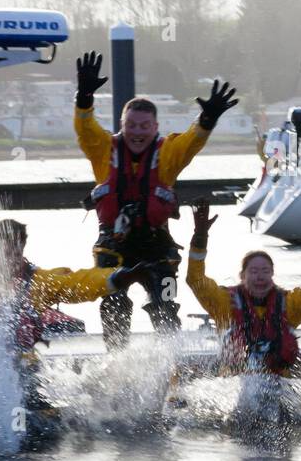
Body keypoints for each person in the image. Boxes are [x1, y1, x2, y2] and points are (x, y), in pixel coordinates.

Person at [0, 213, 151, 430]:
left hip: (22, 377)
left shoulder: (38, 282)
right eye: (5, 252)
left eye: (16, 253)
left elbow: (78, 284)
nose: (11, 261)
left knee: (36, 427)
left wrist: (119, 278)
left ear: (23, 250)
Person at [73, 50, 238, 346]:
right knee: (113, 303)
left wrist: (207, 119)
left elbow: (192, 142)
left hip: (157, 246)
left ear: (155, 128)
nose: (137, 132)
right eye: (131, 125)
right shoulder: (103, 149)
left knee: (166, 304)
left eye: (144, 126)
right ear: (122, 125)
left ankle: (171, 362)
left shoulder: (168, 154)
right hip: (113, 244)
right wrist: (84, 98)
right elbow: (85, 130)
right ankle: (116, 360)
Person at [184, 202, 301, 376]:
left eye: (265, 271)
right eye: (253, 271)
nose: (260, 277)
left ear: (272, 274)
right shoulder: (223, 303)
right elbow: (195, 279)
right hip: (234, 385)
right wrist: (199, 238)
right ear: (242, 276)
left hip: (279, 383)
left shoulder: (290, 304)